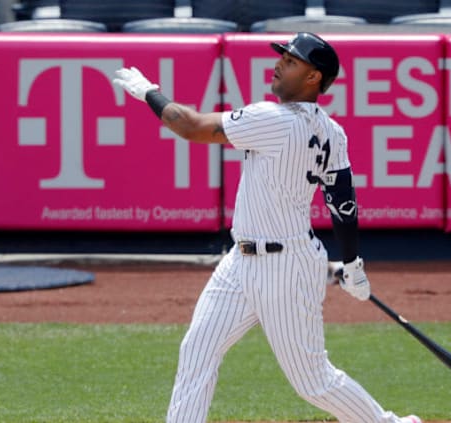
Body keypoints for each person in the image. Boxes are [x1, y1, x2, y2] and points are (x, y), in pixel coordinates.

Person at [113, 32, 421, 423]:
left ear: (314, 78)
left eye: (291, 61)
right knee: (198, 350)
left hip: (285, 267)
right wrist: (352, 262)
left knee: (313, 381)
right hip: (241, 262)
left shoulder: (273, 119)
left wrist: (149, 92)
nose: (279, 64)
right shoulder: (332, 131)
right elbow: (341, 201)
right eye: (283, 57)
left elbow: (189, 126)